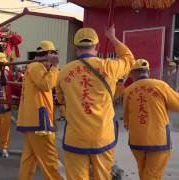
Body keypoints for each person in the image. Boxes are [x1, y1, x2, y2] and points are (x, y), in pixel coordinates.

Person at [56, 25, 135, 180]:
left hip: (75, 137)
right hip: (102, 136)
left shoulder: (63, 72)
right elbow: (129, 59)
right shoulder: (109, 67)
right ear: (97, 46)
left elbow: (61, 100)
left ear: (75, 47)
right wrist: (112, 37)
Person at [123, 59, 179, 180]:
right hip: (158, 141)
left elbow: (126, 119)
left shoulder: (128, 91)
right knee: (152, 175)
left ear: (133, 74)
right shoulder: (161, 86)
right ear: (147, 72)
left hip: (136, 141)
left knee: (143, 172)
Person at [17, 40, 62, 180]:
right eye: (53, 55)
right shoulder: (37, 66)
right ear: (48, 54)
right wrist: (55, 67)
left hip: (33, 121)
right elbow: (47, 84)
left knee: (29, 159)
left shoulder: (34, 67)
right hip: (39, 122)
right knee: (50, 159)